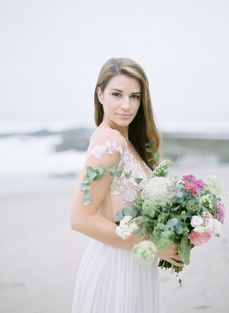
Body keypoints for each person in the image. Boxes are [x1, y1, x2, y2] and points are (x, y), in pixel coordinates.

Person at [70, 58, 182, 313]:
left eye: (134, 96)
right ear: (100, 94)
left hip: (137, 264)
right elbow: (80, 218)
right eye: (117, 94)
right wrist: (153, 244)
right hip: (114, 267)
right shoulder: (109, 142)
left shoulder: (133, 144)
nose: (126, 105)